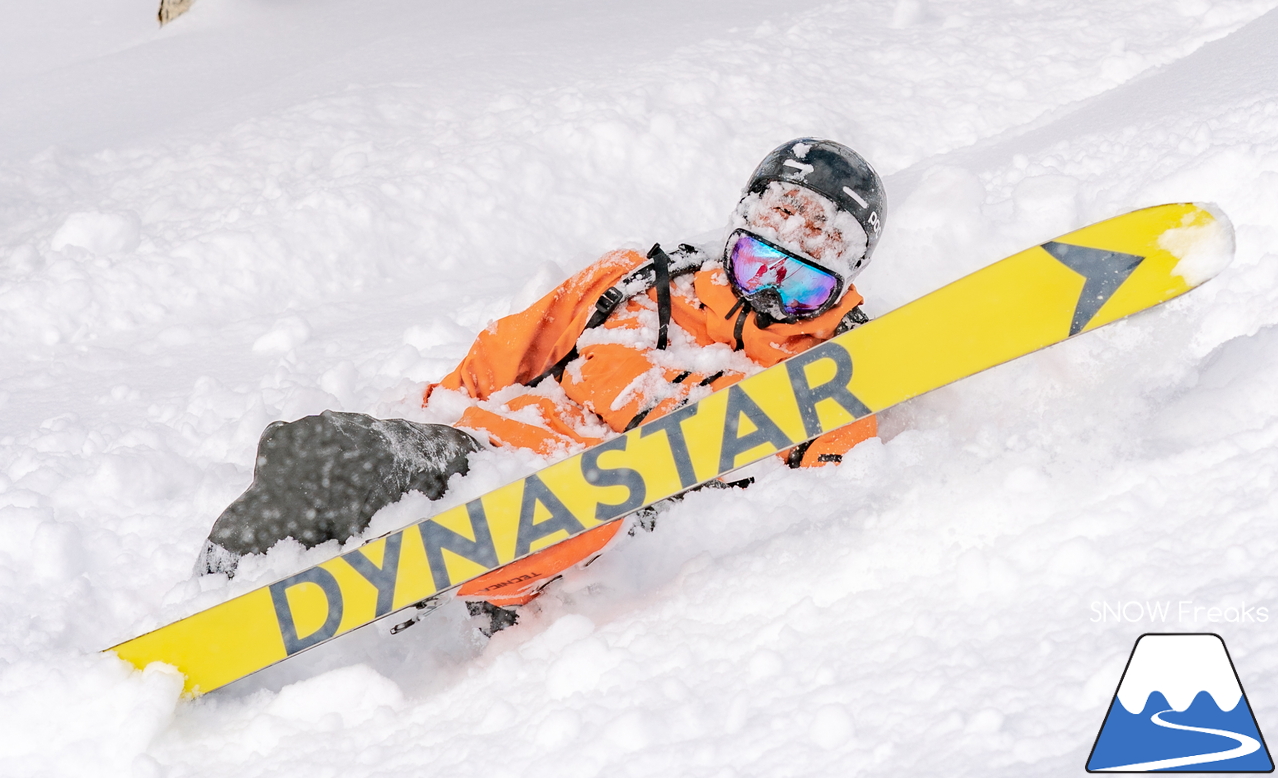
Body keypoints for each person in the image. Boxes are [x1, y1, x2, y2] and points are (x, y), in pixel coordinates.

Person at [198, 138, 887, 634]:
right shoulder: (634, 284)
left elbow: (799, 521)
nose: (767, 291)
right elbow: (483, 374)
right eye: (757, 259)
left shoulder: (823, 380)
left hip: (591, 523)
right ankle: (211, 600)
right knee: (324, 448)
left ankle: (415, 583)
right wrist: (412, 439)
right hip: (491, 465)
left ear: (842, 284)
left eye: (798, 281)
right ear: (733, 233)